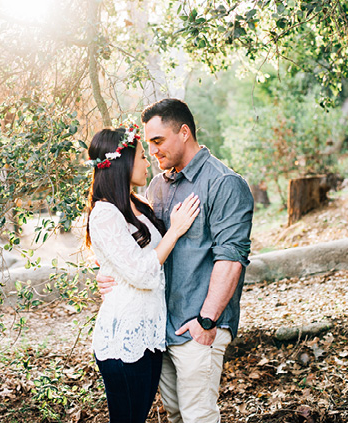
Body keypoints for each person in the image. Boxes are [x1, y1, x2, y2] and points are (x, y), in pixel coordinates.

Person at [97, 99, 253, 422]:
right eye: (148, 144)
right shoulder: (157, 186)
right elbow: (135, 250)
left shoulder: (224, 183)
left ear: (184, 132)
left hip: (198, 327)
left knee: (199, 416)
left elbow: (232, 259)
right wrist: (109, 274)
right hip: (160, 332)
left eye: (157, 141)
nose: (152, 151)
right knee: (177, 415)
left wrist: (207, 321)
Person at [85, 125, 200, 423]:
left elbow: (131, 263)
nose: (148, 162)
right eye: (141, 158)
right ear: (122, 163)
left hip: (150, 333)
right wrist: (175, 231)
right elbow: (142, 273)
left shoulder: (136, 205)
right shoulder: (104, 214)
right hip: (123, 337)